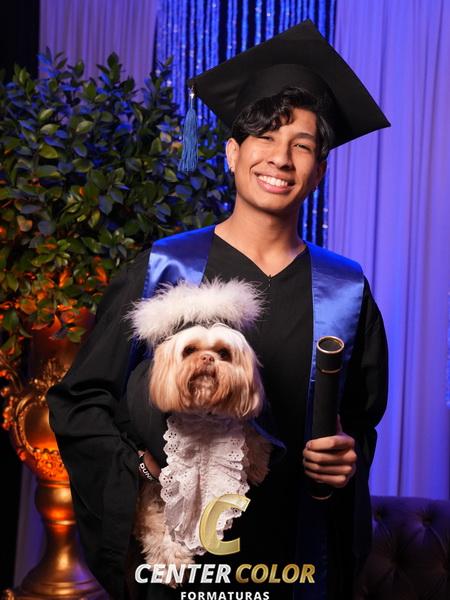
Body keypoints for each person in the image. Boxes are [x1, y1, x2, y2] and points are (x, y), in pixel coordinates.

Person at [47, 20, 389, 600]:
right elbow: (81, 402)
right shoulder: (164, 269)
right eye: (265, 137)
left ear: (319, 171)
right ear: (233, 152)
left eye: (302, 145)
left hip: (292, 563)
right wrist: (144, 470)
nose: (281, 158)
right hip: (185, 569)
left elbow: (359, 418)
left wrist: (345, 457)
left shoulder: (345, 289)